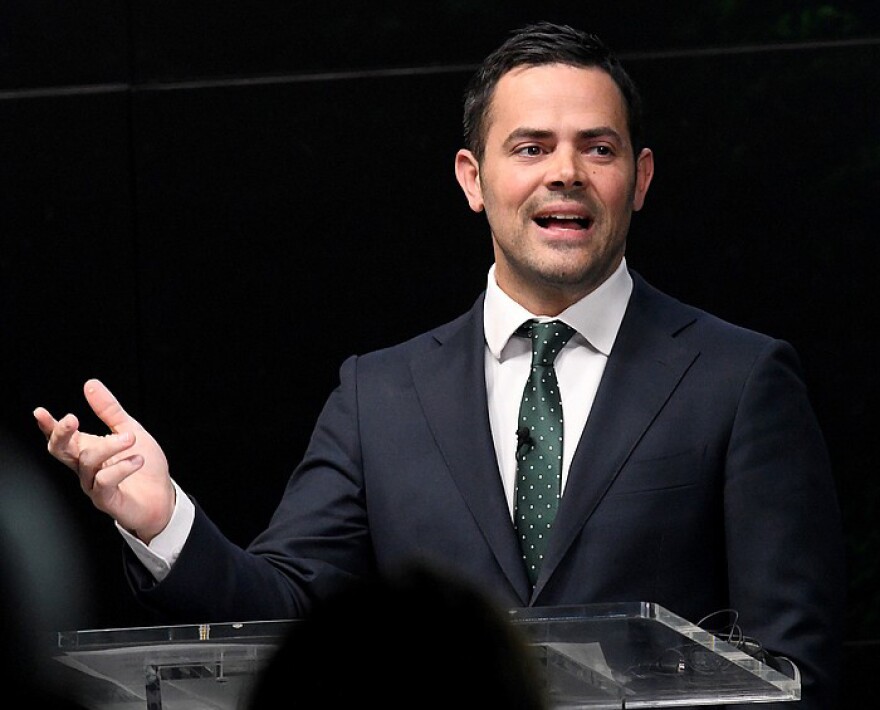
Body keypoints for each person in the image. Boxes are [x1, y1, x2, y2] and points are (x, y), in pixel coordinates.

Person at [33, 22, 844, 709]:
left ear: (640, 179)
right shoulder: (379, 395)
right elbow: (283, 620)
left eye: (598, 147)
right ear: (473, 180)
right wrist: (163, 521)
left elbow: (794, 671)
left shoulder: (739, 380)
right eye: (531, 147)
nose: (566, 170)